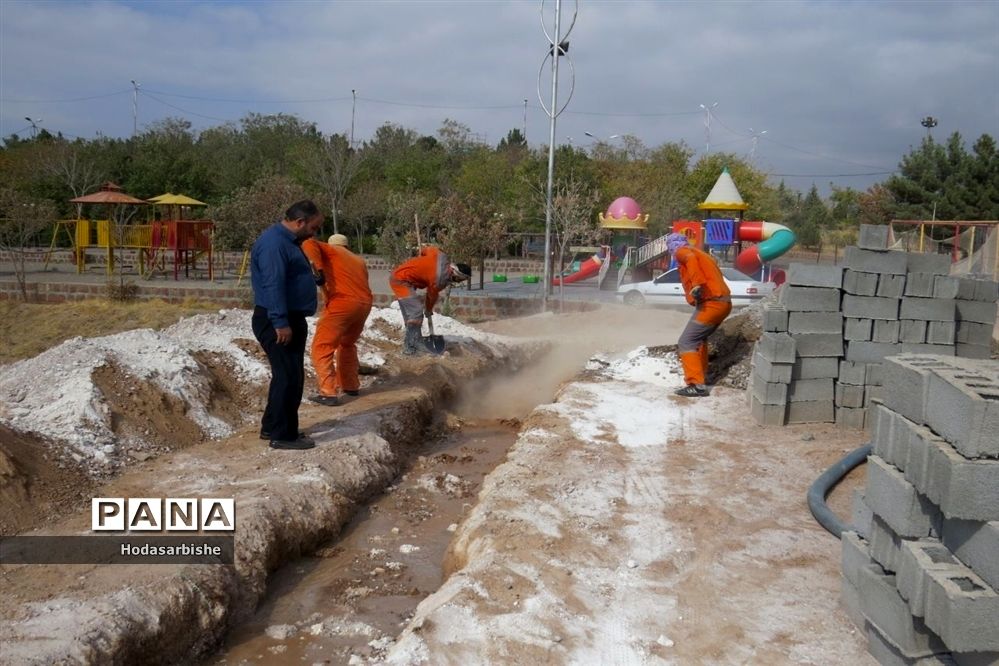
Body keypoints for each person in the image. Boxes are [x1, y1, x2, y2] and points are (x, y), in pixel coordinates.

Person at [250, 200, 323, 449]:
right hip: (277, 319)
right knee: (288, 377)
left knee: (288, 375)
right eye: (313, 227)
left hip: (287, 316)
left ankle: (273, 426)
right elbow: (273, 285)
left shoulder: (287, 243)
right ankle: (282, 435)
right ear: (300, 222)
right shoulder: (274, 245)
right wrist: (280, 322)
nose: (315, 233)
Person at [301, 233, 373, 405]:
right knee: (347, 344)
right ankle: (350, 386)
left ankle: (328, 392)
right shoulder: (358, 260)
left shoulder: (331, 250)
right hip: (364, 305)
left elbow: (309, 242)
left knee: (322, 346)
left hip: (342, 303)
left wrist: (317, 270)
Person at [666, 232, 732, 397]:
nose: (672, 253)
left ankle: (696, 384)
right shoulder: (702, 254)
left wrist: (696, 285)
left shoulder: (683, 251)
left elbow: (689, 259)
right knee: (699, 340)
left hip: (713, 304)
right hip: (724, 303)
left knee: (687, 341)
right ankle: (702, 377)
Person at [389, 245, 470, 355]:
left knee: (411, 315)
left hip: (405, 277)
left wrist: (419, 251)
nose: (459, 282)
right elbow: (431, 296)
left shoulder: (441, 256)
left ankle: (413, 341)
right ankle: (411, 346)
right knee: (416, 311)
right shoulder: (440, 279)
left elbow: (428, 249)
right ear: (455, 273)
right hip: (401, 281)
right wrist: (428, 309)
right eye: (460, 279)